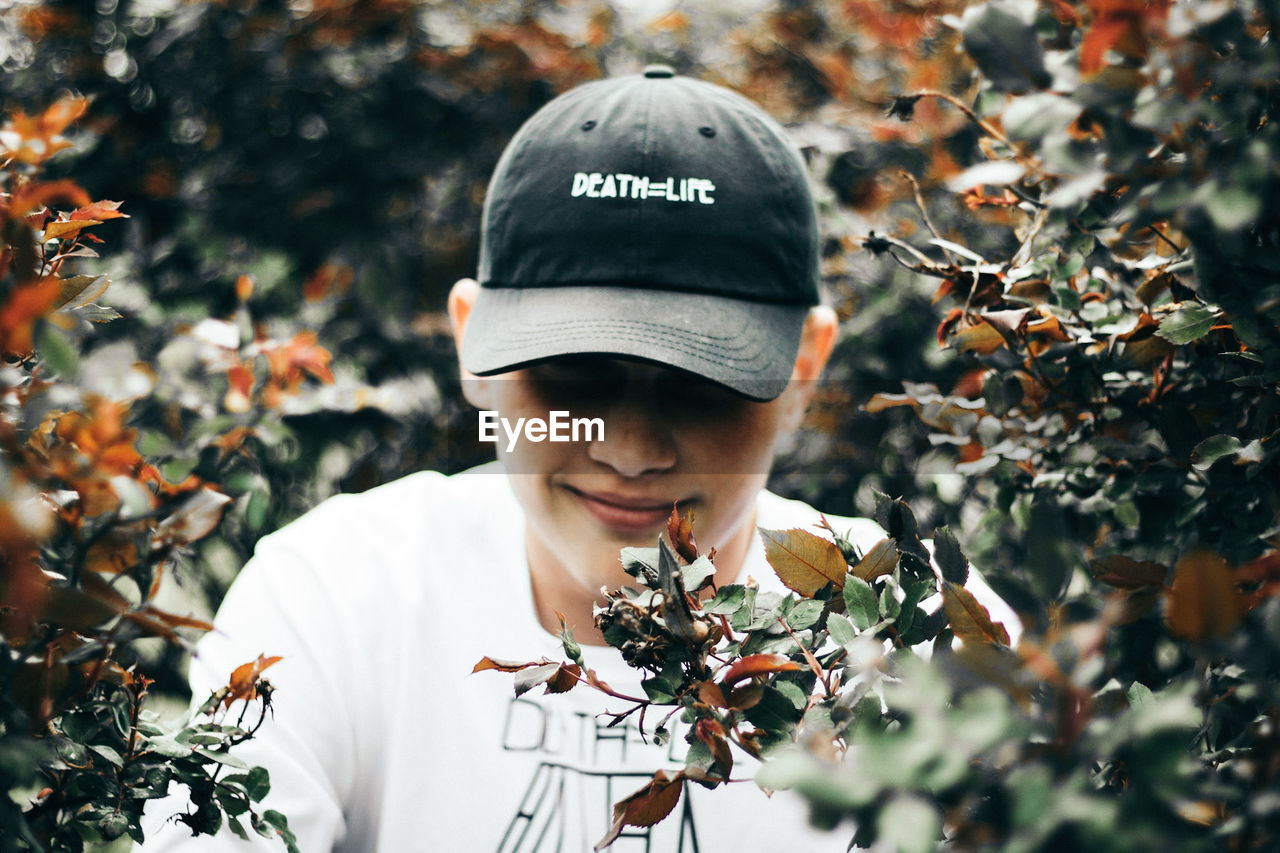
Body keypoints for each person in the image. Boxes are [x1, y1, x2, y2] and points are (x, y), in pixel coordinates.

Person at [141, 66, 1013, 852]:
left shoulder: (928, 640)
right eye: (573, 375)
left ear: (806, 366)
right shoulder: (332, 597)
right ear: (470, 341)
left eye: (700, 381)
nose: (631, 449)